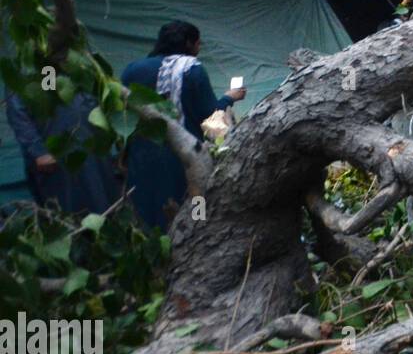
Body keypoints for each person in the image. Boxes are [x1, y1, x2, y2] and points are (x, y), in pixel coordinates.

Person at [120, 21, 246, 229]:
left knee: (146, 212)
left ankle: (149, 250)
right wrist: (228, 98)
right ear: (188, 43)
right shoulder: (192, 69)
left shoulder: (132, 70)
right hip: (183, 159)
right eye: (198, 44)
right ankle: (196, 241)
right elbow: (210, 117)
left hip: (141, 155)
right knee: (195, 211)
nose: (199, 49)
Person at [5, 89, 120, 214]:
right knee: (67, 203)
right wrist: (38, 151)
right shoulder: (24, 72)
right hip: (54, 144)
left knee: (103, 191)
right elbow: (17, 111)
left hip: (92, 138)